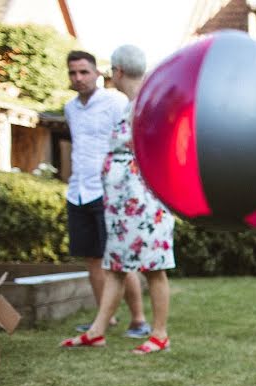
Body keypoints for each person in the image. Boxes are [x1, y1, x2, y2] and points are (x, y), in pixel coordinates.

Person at [61, 45, 175, 354]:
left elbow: (163, 153)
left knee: (154, 268)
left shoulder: (148, 106)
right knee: (114, 268)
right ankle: (97, 331)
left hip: (146, 205)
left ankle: (159, 334)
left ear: (117, 72)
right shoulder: (130, 105)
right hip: (121, 205)